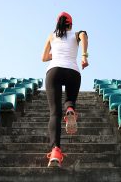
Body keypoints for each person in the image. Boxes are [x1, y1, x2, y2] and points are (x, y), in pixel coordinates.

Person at [42, 12, 89, 167]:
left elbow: (43, 57)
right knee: (69, 100)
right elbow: (84, 35)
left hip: (54, 71)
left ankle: (55, 151)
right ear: (70, 24)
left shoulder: (51, 36)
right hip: (72, 71)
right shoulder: (76, 34)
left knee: (54, 113)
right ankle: (70, 108)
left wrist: (55, 53)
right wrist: (84, 56)